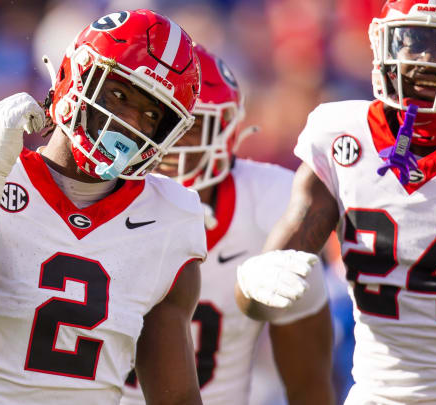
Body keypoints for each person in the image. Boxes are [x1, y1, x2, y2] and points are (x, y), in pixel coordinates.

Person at [236, 0, 436, 403]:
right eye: (411, 40)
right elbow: (264, 297)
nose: (420, 58)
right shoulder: (339, 137)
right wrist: (255, 281)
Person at [0, 9, 206, 405]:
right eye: (119, 95)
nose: (131, 122)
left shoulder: (170, 218)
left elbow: (176, 398)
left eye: (152, 114)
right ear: (75, 77)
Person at [119, 44, 335, 405]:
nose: (168, 139)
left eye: (189, 123)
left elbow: (309, 383)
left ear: (226, 131)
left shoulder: (270, 202)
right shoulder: (89, 192)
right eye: (157, 117)